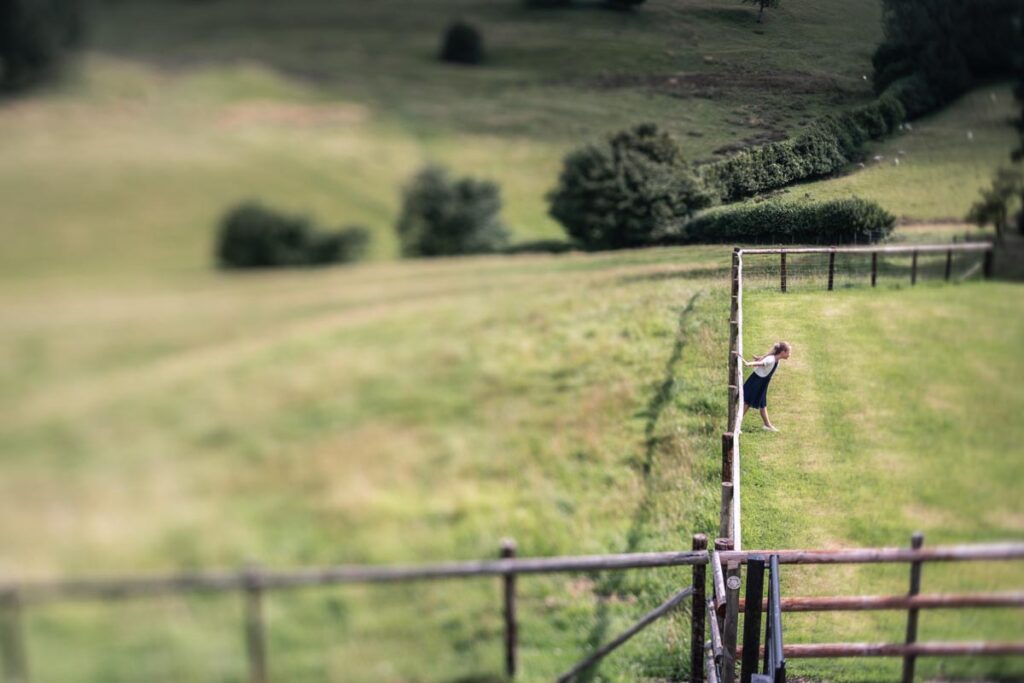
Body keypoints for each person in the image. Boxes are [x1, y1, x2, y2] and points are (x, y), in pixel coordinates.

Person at [740, 341, 792, 432]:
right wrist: (749, 364)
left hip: (763, 383)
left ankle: (767, 425)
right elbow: (761, 363)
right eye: (789, 352)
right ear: (783, 352)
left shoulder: (776, 360)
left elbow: (763, 360)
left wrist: (759, 359)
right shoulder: (771, 359)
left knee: (762, 404)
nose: (790, 354)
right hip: (756, 382)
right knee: (747, 403)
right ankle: (736, 425)